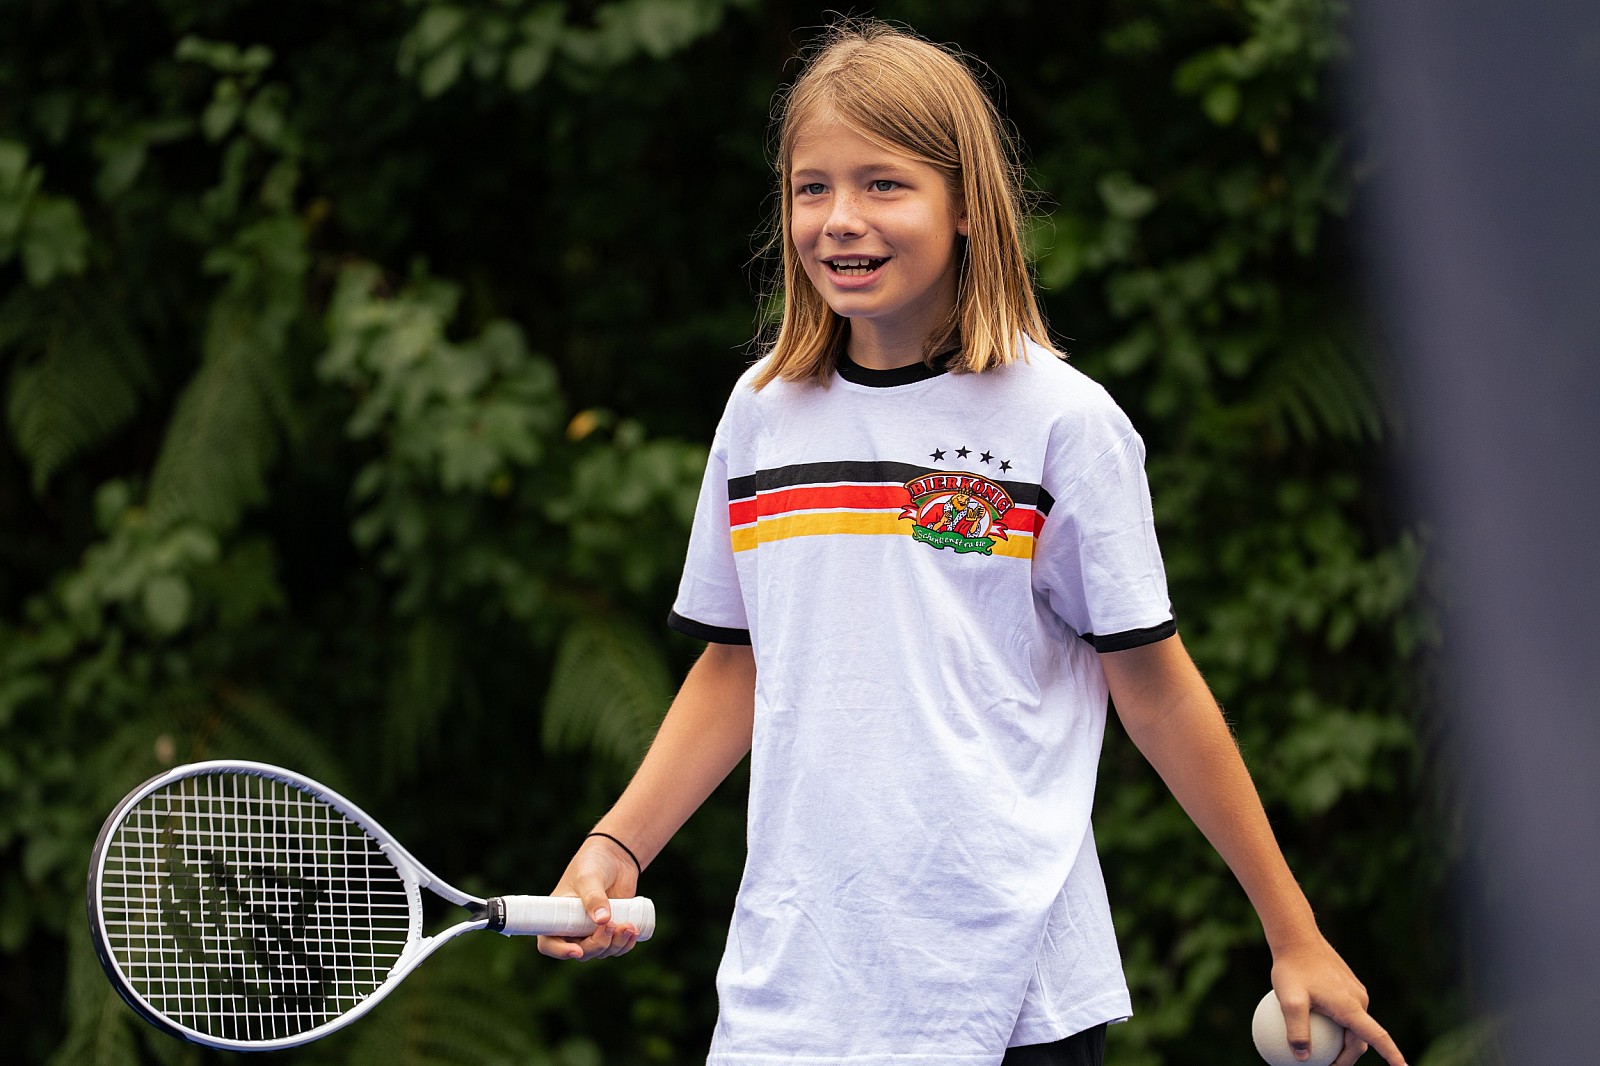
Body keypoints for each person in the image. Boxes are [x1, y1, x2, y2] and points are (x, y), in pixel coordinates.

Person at [536, 20, 1407, 1066]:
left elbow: (1157, 690)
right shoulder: (761, 413)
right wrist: (617, 843)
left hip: (1013, 993)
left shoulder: (1062, 422)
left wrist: (1294, 931)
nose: (840, 219)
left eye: (883, 184)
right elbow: (737, 665)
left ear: (965, 205)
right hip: (795, 987)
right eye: (812, 188)